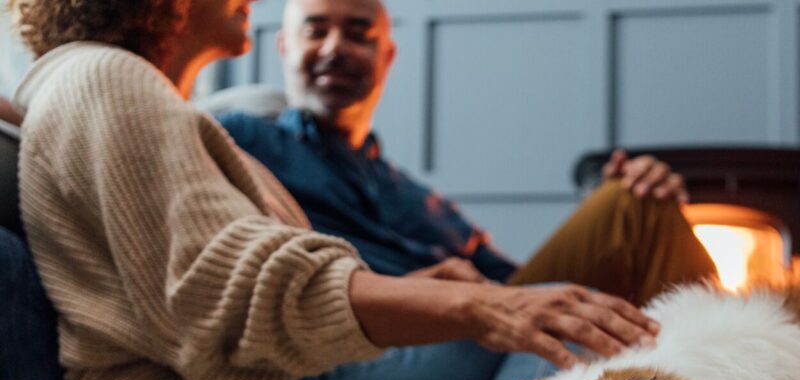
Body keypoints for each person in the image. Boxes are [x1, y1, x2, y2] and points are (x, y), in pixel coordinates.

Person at [9, 0, 716, 380]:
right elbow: (219, 292)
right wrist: (481, 310)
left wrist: (462, 294)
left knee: (534, 312)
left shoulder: (123, 93)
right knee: (525, 326)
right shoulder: (106, 79)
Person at [218, 0, 717, 307]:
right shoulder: (244, 140)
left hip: (490, 315)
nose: (334, 47)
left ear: (386, 56)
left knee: (637, 197)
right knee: (631, 208)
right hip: (398, 330)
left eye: (357, 32)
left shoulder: (417, 197)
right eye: (315, 29)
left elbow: (520, 283)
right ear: (283, 47)